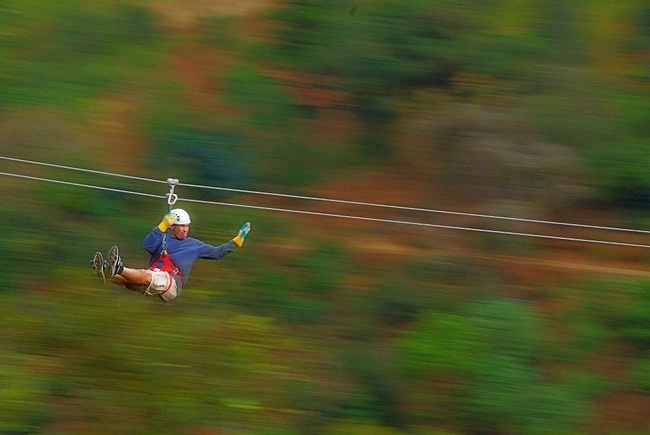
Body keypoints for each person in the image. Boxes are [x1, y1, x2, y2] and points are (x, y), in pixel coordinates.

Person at [91, 208, 251, 302]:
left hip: (171, 283)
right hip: (155, 283)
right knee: (130, 280)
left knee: (145, 276)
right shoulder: (162, 238)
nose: (185, 229)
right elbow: (147, 244)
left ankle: (117, 267)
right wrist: (162, 226)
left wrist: (236, 241)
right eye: (181, 226)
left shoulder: (194, 245)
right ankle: (106, 272)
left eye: (187, 226)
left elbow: (217, 253)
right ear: (172, 227)